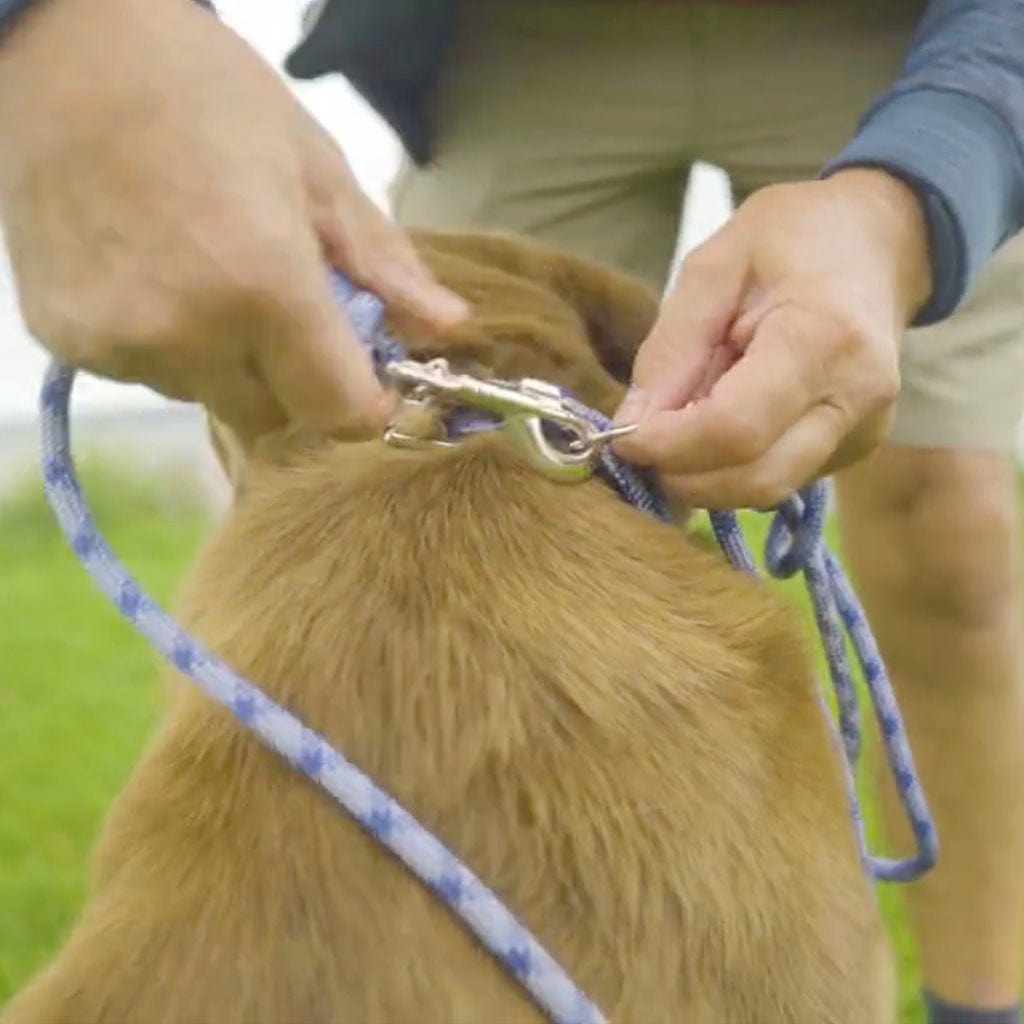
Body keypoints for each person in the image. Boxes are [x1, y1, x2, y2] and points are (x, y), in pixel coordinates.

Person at [0, 0, 1022, 1020]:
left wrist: (922, 185)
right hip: (509, 37)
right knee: (396, 470)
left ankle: (980, 1007)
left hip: (893, 35)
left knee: (949, 525)